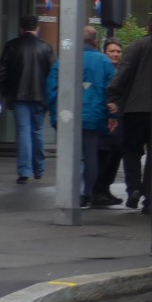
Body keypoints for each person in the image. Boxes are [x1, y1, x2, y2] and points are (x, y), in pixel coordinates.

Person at [47, 27, 115, 208]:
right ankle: (87, 192)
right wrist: (111, 114)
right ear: (95, 40)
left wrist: (56, 113)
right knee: (90, 155)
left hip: (68, 116)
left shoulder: (65, 61)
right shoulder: (103, 61)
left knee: (72, 155)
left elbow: (52, 88)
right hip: (94, 116)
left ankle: (72, 192)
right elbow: (113, 89)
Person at [0, 15, 56, 184]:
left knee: (23, 131)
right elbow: (54, 73)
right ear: (37, 28)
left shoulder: (11, 46)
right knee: (37, 132)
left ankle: (24, 171)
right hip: (40, 96)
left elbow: (2, 72)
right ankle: (39, 169)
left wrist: (5, 91)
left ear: (21, 29)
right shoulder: (46, 47)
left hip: (19, 96)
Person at [108, 31, 152, 212]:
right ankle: (151, 197)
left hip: (135, 109)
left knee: (131, 151)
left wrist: (113, 94)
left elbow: (125, 70)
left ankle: (134, 188)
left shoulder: (138, 45)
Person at [91, 39, 125, 206]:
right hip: (104, 119)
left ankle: (105, 190)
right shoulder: (102, 69)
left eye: (118, 51)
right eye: (112, 51)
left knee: (114, 156)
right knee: (103, 156)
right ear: (105, 52)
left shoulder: (122, 71)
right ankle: (98, 191)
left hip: (118, 119)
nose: (115, 54)